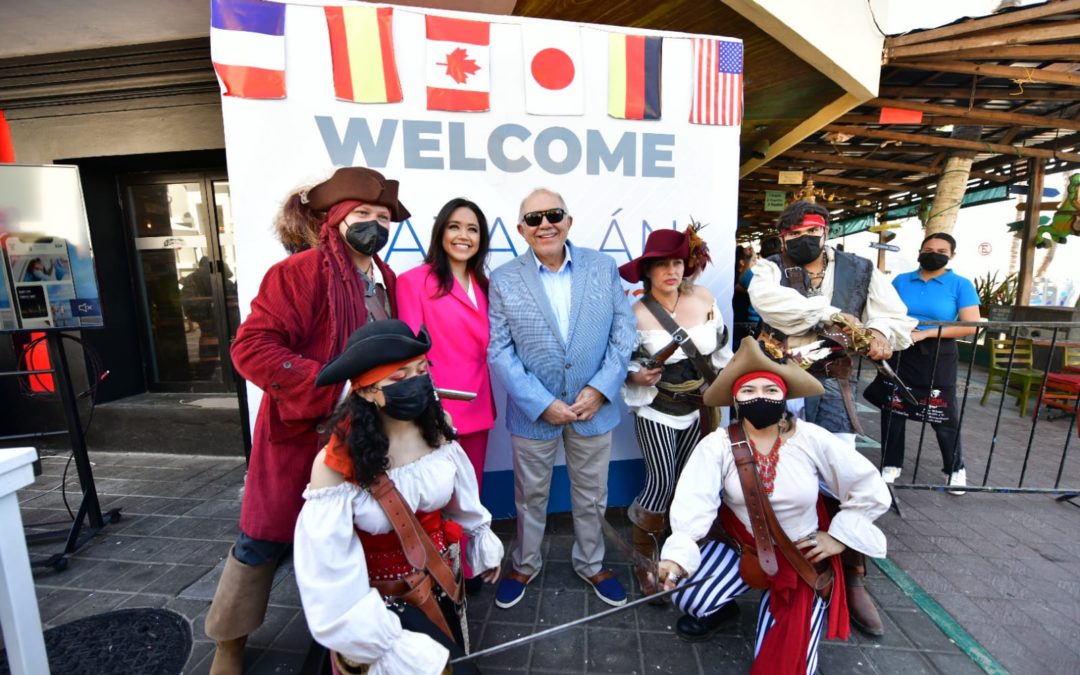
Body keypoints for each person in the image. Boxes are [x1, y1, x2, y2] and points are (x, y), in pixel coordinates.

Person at [204, 167, 408, 675]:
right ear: (335, 219)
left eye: (383, 217)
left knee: (352, 542)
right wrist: (336, 384)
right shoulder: (297, 273)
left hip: (366, 439)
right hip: (303, 436)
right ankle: (228, 642)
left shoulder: (389, 280)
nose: (375, 224)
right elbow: (251, 348)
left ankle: (343, 643)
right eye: (363, 214)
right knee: (262, 542)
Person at [658, 336, 890, 672]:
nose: (760, 398)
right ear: (735, 399)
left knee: (786, 662)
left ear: (784, 396)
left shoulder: (812, 438)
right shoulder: (718, 445)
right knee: (689, 595)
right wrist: (675, 562)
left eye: (770, 390)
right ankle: (722, 608)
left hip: (802, 556)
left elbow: (869, 488)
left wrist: (838, 537)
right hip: (746, 549)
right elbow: (694, 502)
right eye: (749, 391)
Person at [294, 319, 502, 675]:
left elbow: (461, 496)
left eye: (422, 370)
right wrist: (384, 642)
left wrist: (480, 536)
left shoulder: (437, 430)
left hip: (442, 584)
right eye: (399, 377)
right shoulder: (333, 467)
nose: (418, 382)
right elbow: (328, 576)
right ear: (366, 390)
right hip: (378, 609)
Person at [748, 200, 914, 637]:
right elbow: (768, 304)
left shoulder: (861, 269)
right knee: (773, 472)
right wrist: (830, 314)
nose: (799, 240)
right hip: (779, 381)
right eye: (789, 235)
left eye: (808, 232)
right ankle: (778, 562)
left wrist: (879, 332)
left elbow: (895, 316)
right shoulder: (770, 269)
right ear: (781, 237)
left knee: (842, 476)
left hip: (834, 383)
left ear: (826, 232)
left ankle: (852, 575)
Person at [487, 188, 636, 609]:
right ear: (521, 230)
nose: (544, 224)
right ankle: (525, 562)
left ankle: (591, 563)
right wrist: (540, 402)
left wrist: (600, 389)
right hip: (534, 413)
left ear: (569, 221)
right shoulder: (503, 278)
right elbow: (499, 349)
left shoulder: (603, 268)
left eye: (553, 214)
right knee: (529, 495)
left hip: (595, 408)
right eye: (533, 219)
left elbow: (623, 334)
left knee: (592, 494)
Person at [618, 225, 731, 599]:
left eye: (678, 262)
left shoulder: (704, 297)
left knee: (688, 485)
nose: (672, 270)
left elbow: (718, 355)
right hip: (656, 408)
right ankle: (643, 556)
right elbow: (620, 366)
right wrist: (637, 374)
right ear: (647, 271)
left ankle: (676, 556)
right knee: (662, 482)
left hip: (701, 408)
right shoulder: (635, 313)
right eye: (662, 264)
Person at [396, 197, 496, 591]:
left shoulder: (487, 286)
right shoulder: (414, 281)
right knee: (433, 497)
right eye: (455, 226)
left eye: (472, 229)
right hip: (434, 410)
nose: (463, 235)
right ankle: (437, 571)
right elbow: (410, 353)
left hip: (479, 405)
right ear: (440, 231)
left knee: (471, 493)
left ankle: (468, 568)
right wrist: (425, 408)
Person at [874, 233, 980, 493]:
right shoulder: (901, 280)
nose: (934, 253)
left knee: (942, 412)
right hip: (901, 349)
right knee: (894, 406)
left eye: (942, 250)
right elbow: (885, 312)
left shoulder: (960, 284)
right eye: (929, 248)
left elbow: (970, 325)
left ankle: (955, 468)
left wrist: (927, 332)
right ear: (919, 251)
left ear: (952, 255)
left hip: (938, 353)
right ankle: (890, 463)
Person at [733, 245, 761, 346]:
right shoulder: (749, 275)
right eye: (754, 260)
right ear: (741, 262)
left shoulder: (732, 279)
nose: (756, 263)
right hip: (747, 326)